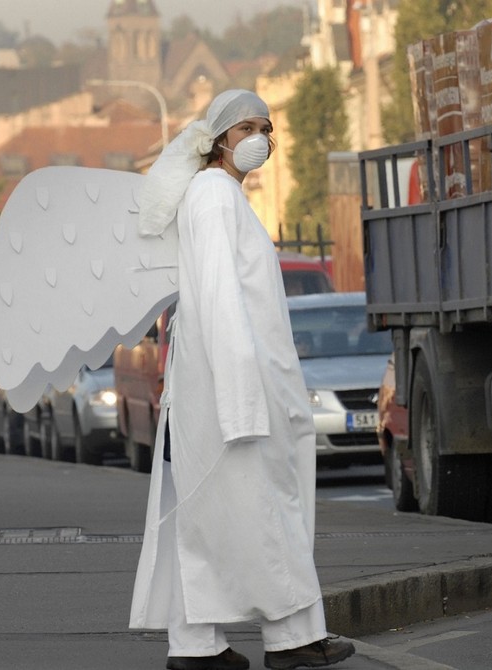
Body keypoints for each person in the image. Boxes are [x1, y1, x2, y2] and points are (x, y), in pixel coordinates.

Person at [129, 89, 356, 670]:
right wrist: (240, 401)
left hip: (240, 388)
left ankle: (195, 648)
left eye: (267, 127)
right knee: (263, 513)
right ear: (221, 138)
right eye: (249, 127)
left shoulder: (222, 196)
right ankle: (294, 641)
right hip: (233, 392)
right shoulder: (212, 197)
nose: (261, 139)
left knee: (210, 522)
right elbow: (220, 302)